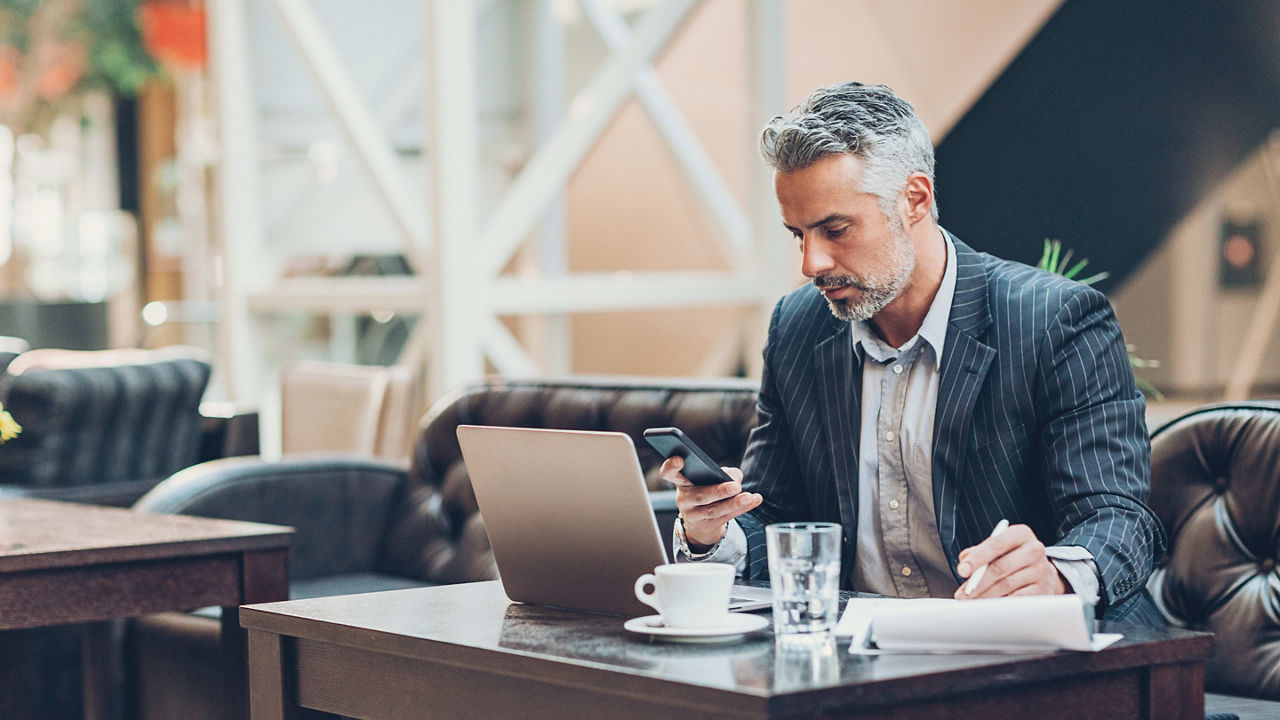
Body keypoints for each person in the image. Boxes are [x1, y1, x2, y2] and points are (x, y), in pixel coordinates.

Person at [664, 81, 1164, 621]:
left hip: (1020, 649)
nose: (812, 263)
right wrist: (714, 531)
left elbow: (1119, 518)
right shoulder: (798, 328)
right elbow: (779, 517)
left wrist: (1056, 576)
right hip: (857, 663)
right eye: (798, 235)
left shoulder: (1055, 320)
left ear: (915, 199)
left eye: (835, 229)